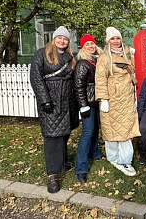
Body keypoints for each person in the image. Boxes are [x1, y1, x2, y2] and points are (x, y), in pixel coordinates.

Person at [30, 26, 79, 193]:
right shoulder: (42, 54)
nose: (62, 41)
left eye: (65, 39)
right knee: (52, 137)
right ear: (54, 38)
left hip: (68, 101)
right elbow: (36, 78)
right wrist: (45, 100)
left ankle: (63, 161)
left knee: (65, 133)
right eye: (59, 38)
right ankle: (52, 175)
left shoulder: (70, 57)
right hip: (51, 102)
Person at [95, 26, 141, 177]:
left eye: (118, 38)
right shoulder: (104, 58)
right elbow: (100, 80)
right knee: (111, 130)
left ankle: (125, 160)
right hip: (112, 98)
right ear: (108, 41)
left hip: (127, 99)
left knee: (126, 131)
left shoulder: (128, 54)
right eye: (112, 39)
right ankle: (113, 158)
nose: (115, 41)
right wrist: (103, 99)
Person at [74, 34, 103, 184]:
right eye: (87, 44)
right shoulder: (82, 64)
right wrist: (83, 106)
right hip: (88, 104)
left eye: (92, 44)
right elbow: (79, 87)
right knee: (87, 132)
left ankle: (94, 152)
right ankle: (81, 168)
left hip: (97, 102)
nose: (91, 46)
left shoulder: (96, 61)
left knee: (95, 129)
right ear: (83, 47)